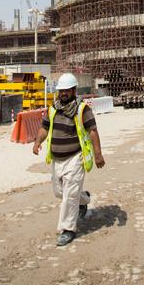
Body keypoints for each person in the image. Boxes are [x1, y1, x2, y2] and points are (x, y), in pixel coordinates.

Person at [33, 72, 105, 246]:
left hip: (75, 157)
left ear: (74, 90)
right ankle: (84, 199)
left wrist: (98, 154)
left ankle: (68, 229)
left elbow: (93, 131)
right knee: (60, 192)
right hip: (57, 159)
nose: (63, 93)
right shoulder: (53, 108)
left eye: (66, 90)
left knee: (69, 196)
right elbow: (44, 128)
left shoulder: (82, 110)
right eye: (61, 91)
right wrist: (37, 142)